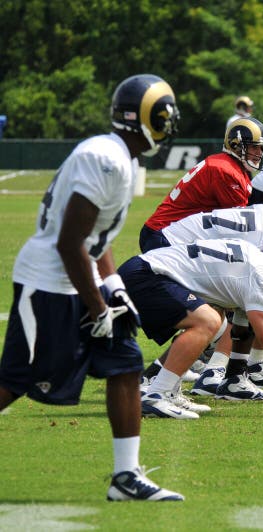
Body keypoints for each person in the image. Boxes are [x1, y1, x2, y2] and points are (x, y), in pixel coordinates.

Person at [0, 74, 183, 500]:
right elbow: (69, 242)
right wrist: (98, 307)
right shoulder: (107, 158)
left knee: (125, 361)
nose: (169, 125)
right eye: (165, 116)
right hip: (49, 282)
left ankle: (126, 477)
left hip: (79, 279)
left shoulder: (119, 157)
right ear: (149, 119)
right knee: (13, 381)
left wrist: (114, 287)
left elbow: (95, 240)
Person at [119, 231, 263, 418]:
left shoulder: (253, 256)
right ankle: (157, 394)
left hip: (142, 270)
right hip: (147, 276)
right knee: (208, 321)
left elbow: (241, 323)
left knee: (211, 319)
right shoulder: (259, 276)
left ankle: (168, 390)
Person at [140, 116, 263, 253]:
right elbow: (237, 228)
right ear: (235, 145)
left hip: (167, 232)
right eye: (255, 147)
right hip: (165, 235)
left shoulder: (228, 166)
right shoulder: (226, 171)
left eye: (262, 148)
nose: (259, 153)